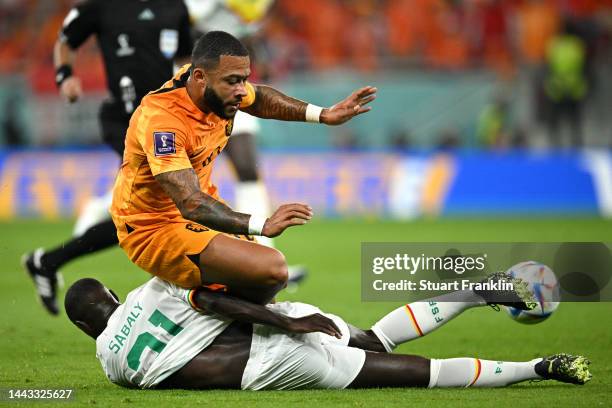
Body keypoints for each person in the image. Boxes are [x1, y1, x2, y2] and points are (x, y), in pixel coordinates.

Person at [109, 30, 377, 304]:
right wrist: (263, 223)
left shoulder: (215, 85)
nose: (241, 91)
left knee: (266, 283)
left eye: (244, 80)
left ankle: (200, 310)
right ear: (199, 78)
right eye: (233, 82)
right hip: (152, 227)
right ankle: (174, 302)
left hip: (194, 214)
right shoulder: (163, 120)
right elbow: (190, 203)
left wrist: (323, 114)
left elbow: (259, 98)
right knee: (270, 268)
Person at [64, 273, 591, 389]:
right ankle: (474, 292)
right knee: (372, 338)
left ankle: (538, 368)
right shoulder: (148, 291)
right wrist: (288, 316)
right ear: (111, 296)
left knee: (416, 374)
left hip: (274, 365)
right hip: (281, 325)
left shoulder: (111, 366)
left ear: (87, 327)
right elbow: (208, 297)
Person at [23, 0, 193, 315]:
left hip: (162, 121)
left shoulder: (175, 7)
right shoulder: (102, 6)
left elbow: (185, 60)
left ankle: (47, 261)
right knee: (162, 205)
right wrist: (65, 76)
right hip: (125, 120)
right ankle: (183, 298)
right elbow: (66, 39)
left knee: (138, 214)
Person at [186, 0, 308, 285]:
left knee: (248, 169)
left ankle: (263, 256)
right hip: (194, 92)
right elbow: (183, 28)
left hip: (231, 89)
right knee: (168, 181)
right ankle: (95, 224)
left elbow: (247, 34)